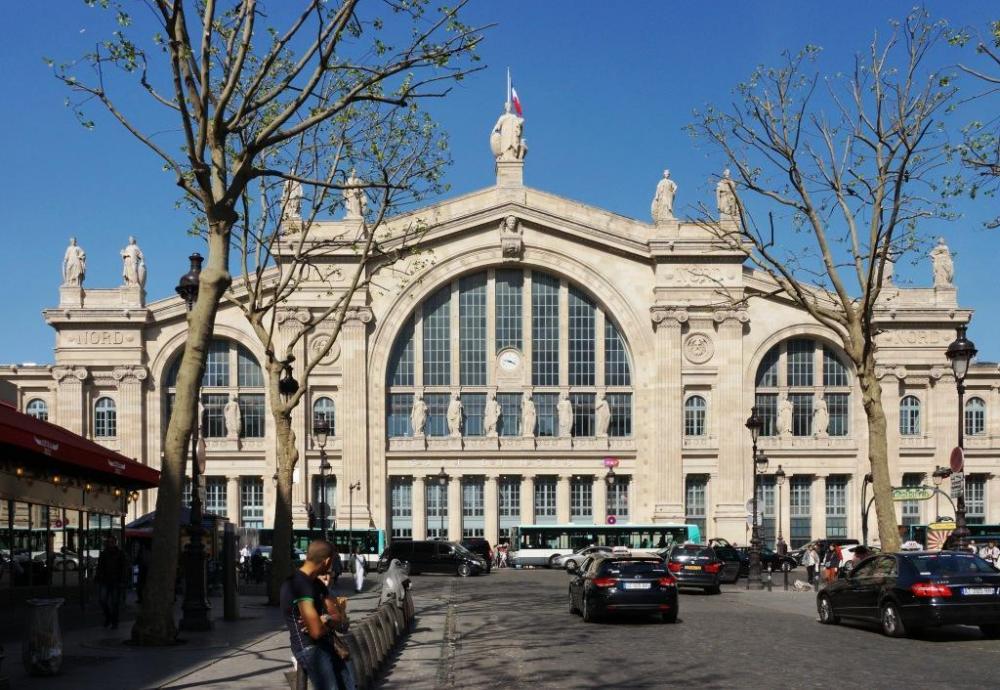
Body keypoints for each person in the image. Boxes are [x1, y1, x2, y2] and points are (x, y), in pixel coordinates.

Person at [280, 539, 354, 690]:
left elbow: (341, 619)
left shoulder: (317, 584)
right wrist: (327, 622)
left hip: (328, 645)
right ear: (327, 561)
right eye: (332, 561)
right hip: (310, 649)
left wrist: (325, 619)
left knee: (350, 686)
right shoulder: (298, 584)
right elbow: (316, 631)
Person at [96, 536, 127, 629]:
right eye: (109, 542)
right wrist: (98, 577)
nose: (110, 544)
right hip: (105, 580)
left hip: (116, 581)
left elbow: (124, 567)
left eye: (112, 542)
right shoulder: (104, 553)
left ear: (115, 543)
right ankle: (109, 617)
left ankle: (114, 621)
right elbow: (100, 567)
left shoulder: (120, 553)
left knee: (115, 603)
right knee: (102, 600)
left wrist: (122, 580)